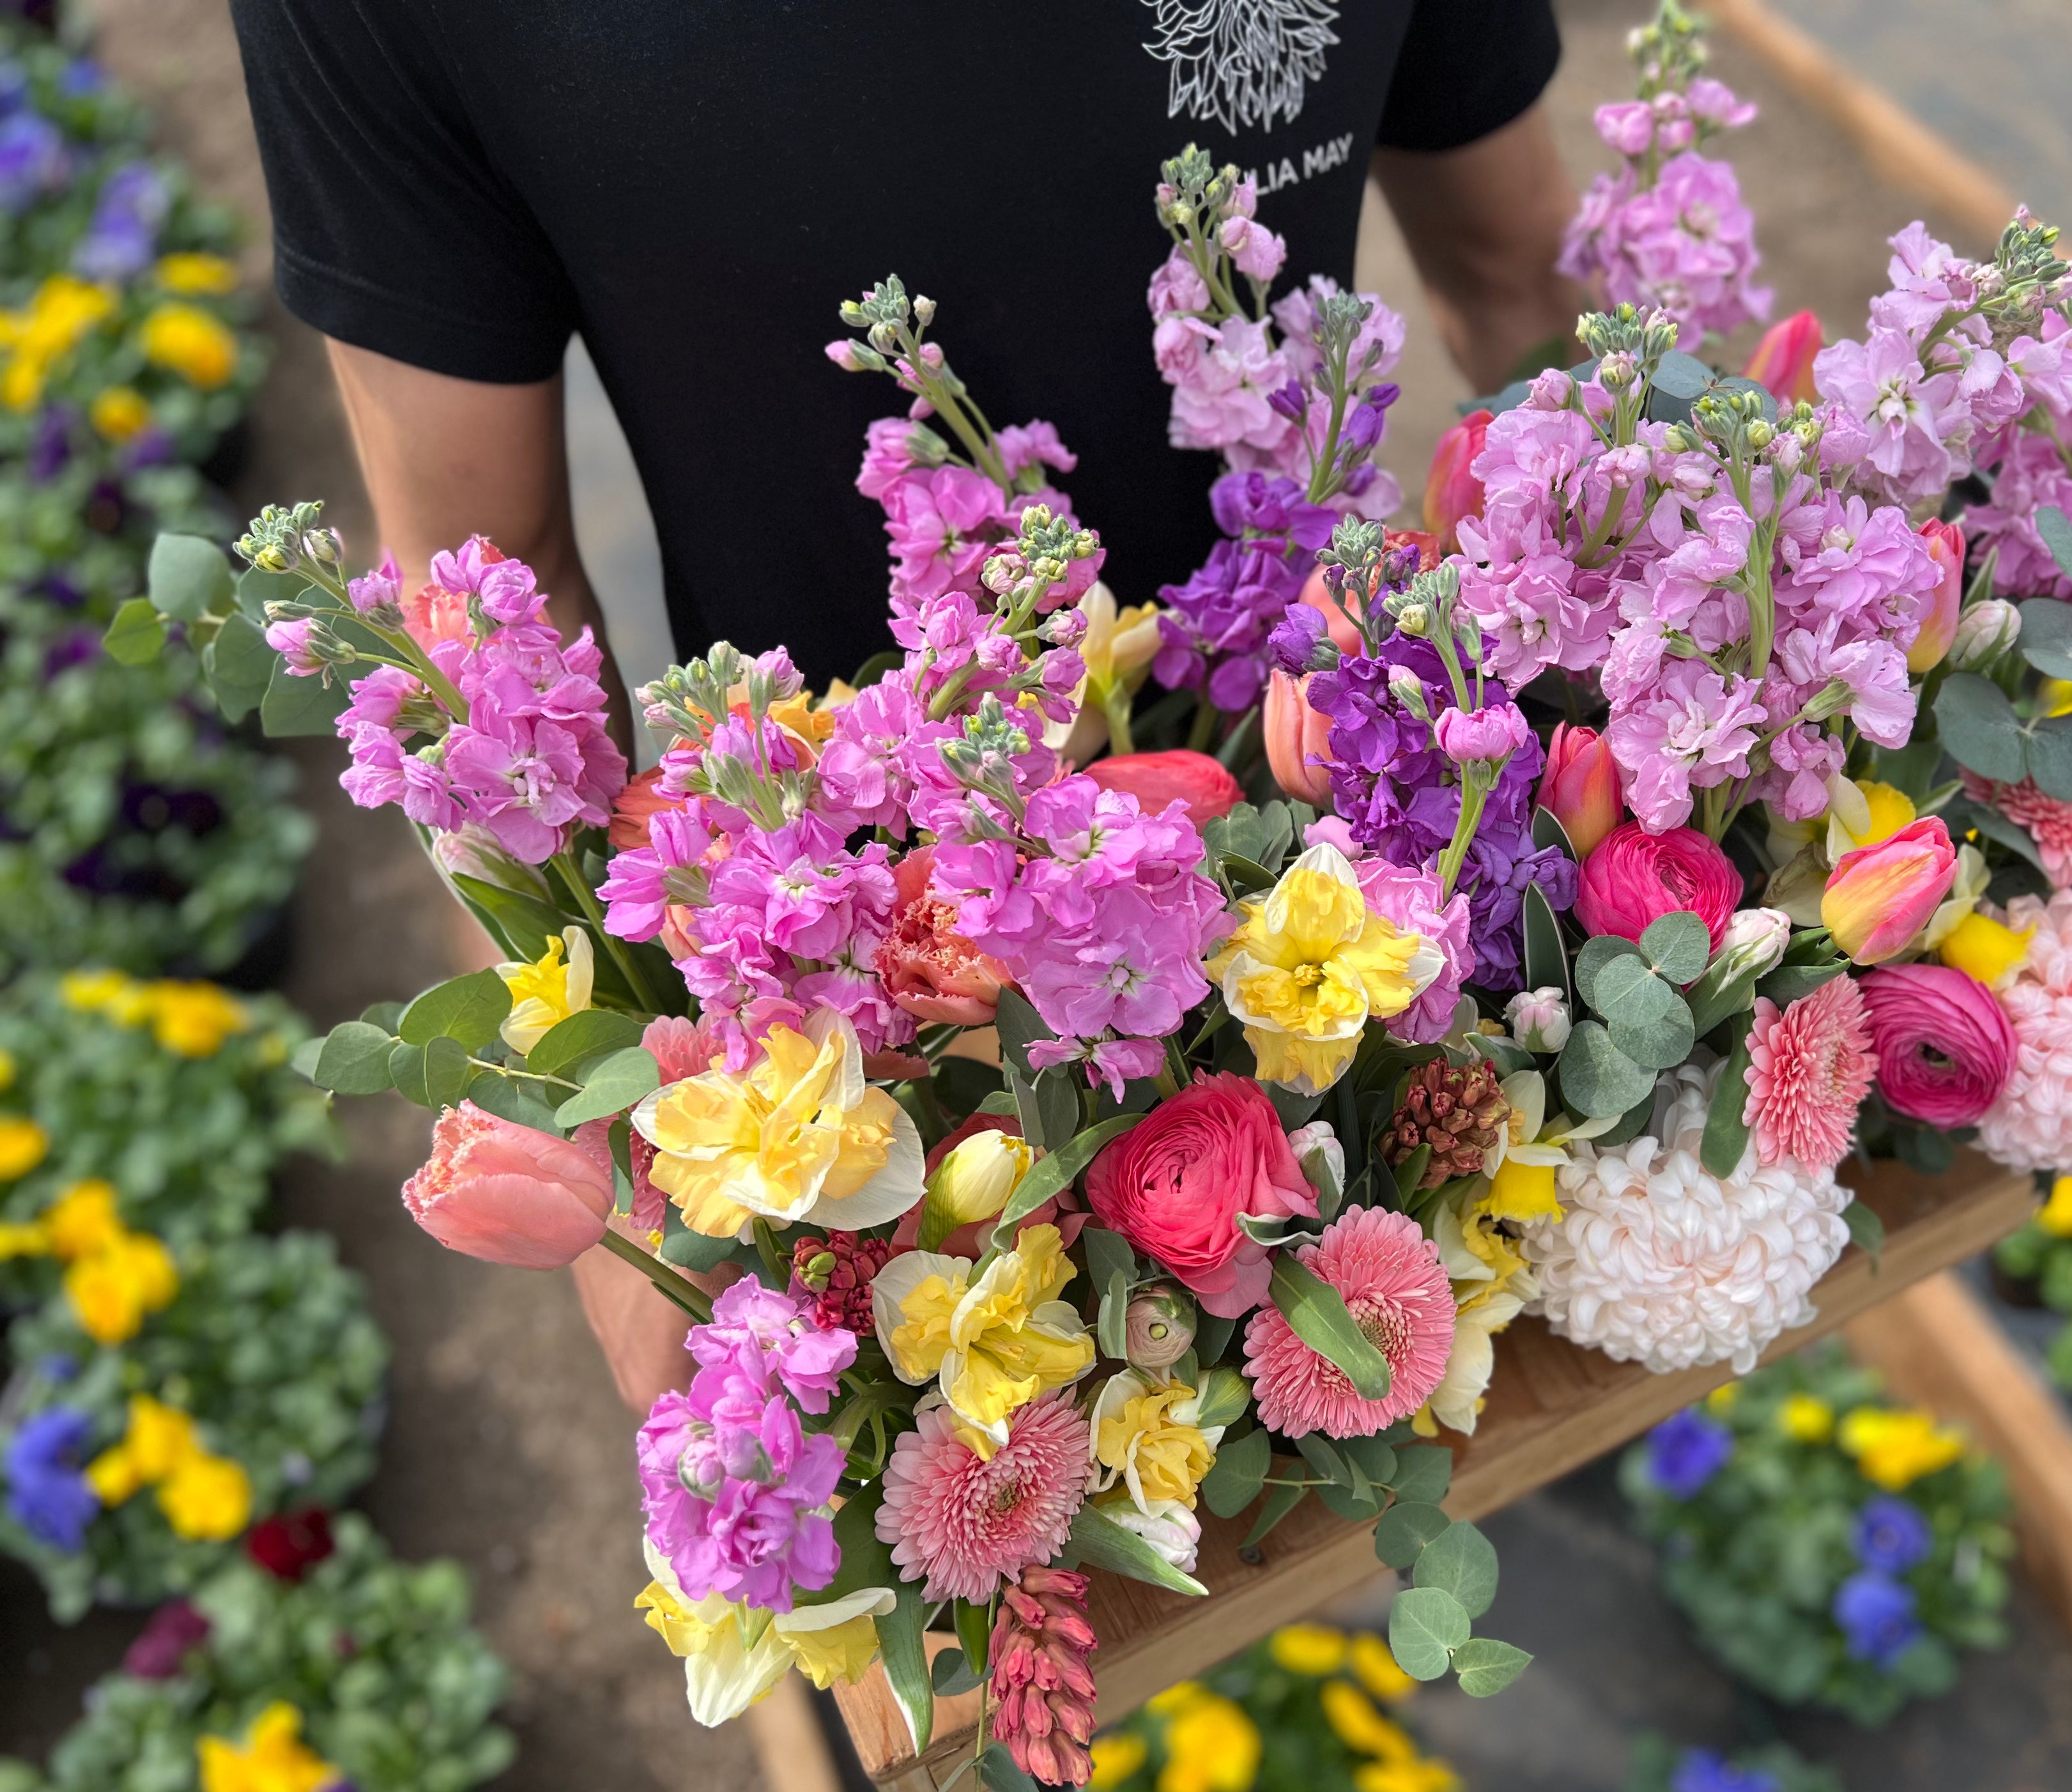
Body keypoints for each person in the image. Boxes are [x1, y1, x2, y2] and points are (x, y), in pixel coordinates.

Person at [227, 0, 1588, 1413]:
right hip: (884, 1090)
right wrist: (646, 1247)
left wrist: (1676, 902)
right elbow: (483, 632)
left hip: (1435, 933)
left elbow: (1520, 286)